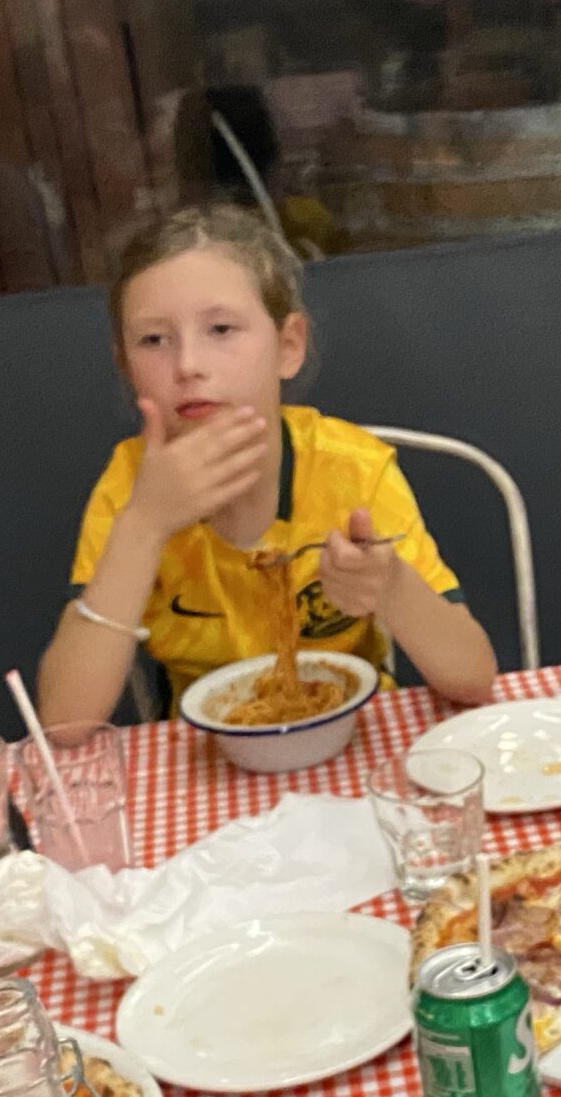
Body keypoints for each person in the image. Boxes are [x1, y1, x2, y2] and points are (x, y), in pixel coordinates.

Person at [37, 205, 496, 725]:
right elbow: (66, 722)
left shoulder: (352, 470)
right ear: (125, 365)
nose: (188, 365)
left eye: (221, 329)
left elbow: (473, 678)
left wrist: (391, 587)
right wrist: (144, 525)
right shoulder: (131, 488)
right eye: (153, 340)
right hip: (206, 747)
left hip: (350, 734)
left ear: (287, 346)